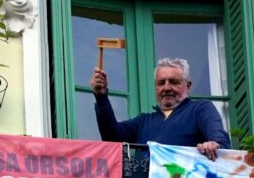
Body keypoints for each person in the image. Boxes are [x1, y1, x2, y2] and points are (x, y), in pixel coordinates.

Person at [90, 57, 230, 159]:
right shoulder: (143, 122)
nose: (166, 88)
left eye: (174, 82)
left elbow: (218, 137)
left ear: (188, 86)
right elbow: (112, 137)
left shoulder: (199, 109)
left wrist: (214, 144)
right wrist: (101, 97)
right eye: (161, 83)